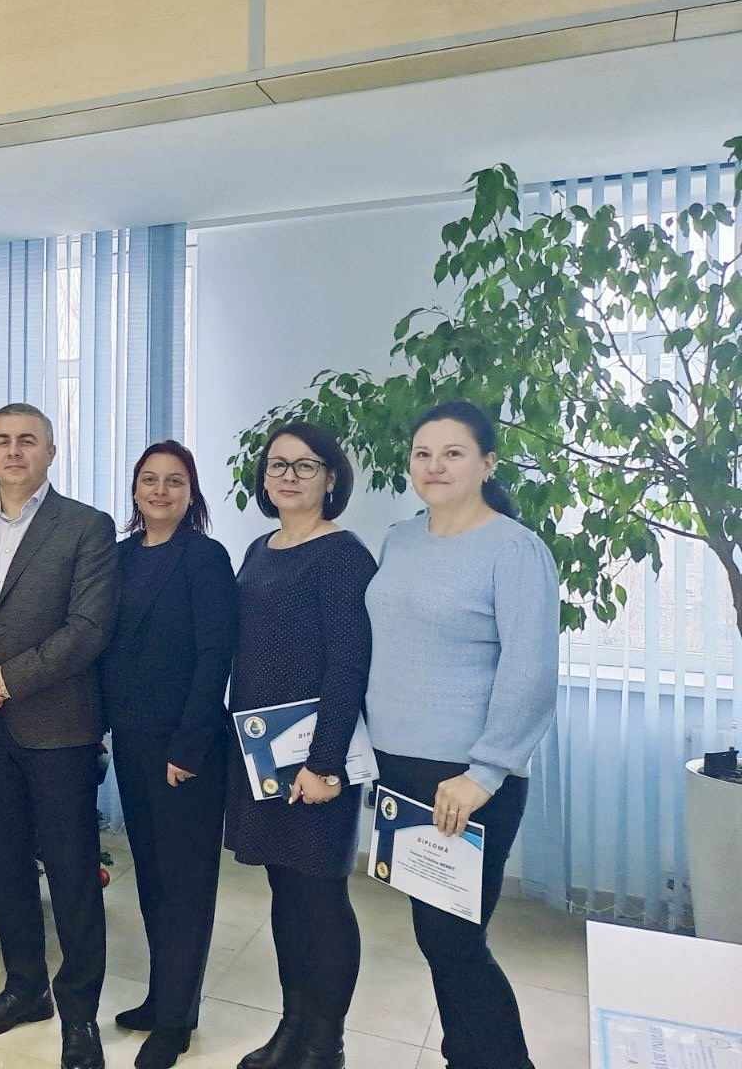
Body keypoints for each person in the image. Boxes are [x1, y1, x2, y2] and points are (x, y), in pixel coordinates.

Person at [365, 400, 558, 1069]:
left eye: (453, 453)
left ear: (487, 464)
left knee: (454, 940)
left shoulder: (514, 548)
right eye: (423, 453)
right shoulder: (400, 538)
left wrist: (485, 772)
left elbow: (531, 670)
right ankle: (466, 1053)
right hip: (398, 767)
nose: (435, 465)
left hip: (464, 779)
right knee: (436, 936)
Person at [0, 402, 118, 1069]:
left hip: (58, 726)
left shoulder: (86, 526)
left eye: (27, 440)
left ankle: (79, 1014)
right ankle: (24, 988)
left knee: (71, 874)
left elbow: (88, 630)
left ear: (50, 451)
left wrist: (7, 679)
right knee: (6, 865)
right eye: (3, 441)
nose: (14, 451)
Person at [223, 422, 377, 1069]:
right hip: (263, 757)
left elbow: (349, 666)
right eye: (277, 465)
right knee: (285, 895)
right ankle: (293, 1028)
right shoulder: (260, 549)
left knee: (321, 899)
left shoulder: (344, 556)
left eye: (305, 465)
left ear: (331, 477)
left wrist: (325, 765)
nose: (288, 476)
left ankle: (326, 1043)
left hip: (317, 761)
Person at [98, 441, 237, 1069]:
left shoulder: (205, 558)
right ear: (134, 489)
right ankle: (163, 998)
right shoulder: (120, 557)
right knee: (153, 877)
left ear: (191, 493)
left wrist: (190, 744)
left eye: (174, 481)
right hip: (132, 742)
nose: (160, 491)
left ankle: (177, 1020)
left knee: (186, 885)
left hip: (186, 749)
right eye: (149, 480)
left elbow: (214, 656)